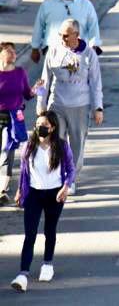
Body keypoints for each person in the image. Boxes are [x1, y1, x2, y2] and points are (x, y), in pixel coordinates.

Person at [10, 110, 74, 293]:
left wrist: (66, 187)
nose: (40, 128)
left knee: (49, 231)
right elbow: (24, 171)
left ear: (52, 128)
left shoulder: (61, 146)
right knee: (29, 235)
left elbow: (70, 169)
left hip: (55, 194)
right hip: (34, 195)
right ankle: (23, 275)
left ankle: (47, 263)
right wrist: (20, 191)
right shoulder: (30, 146)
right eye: (37, 125)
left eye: (44, 126)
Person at [39, 19, 102, 194]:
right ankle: (57, 177)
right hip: (57, 104)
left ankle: (70, 178)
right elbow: (44, 80)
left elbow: (96, 83)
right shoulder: (53, 51)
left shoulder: (89, 54)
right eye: (60, 34)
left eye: (66, 35)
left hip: (80, 106)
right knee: (55, 142)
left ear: (76, 35)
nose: (62, 38)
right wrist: (40, 104)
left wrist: (98, 108)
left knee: (76, 145)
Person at [30, 0, 101, 65]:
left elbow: (93, 27)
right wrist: (35, 48)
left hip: (79, 52)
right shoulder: (47, 4)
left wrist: (93, 48)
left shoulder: (86, 5)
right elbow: (39, 26)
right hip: (53, 51)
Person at [0, 42, 33, 204]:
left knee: (8, 153)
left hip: (14, 118)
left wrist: (35, 90)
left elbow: (27, 94)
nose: (13, 54)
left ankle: (2, 190)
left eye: (14, 51)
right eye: (9, 51)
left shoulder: (20, 73)